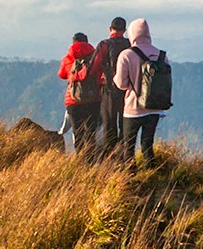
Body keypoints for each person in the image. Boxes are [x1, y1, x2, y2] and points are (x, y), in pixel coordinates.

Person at [112, 18, 169, 164]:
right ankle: (151, 174)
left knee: (128, 146)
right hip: (155, 107)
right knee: (147, 145)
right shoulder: (161, 55)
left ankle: (130, 177)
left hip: (133, 108)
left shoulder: (126, 55)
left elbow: (122, 84)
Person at [89, 17, 132, 158]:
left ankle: (110, 156)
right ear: (124, 30)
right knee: (125, 123)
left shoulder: (104, 45)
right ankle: (125, 154)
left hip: (108, 90)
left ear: (110, 29)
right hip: (128, 90)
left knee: (109, 123)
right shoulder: (130, 44)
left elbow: (93, 68)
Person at [58, 31, 101, 155]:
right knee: (91, 131)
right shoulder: (95, 58)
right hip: (93, 99)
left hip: (73, 100)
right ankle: (91, 160)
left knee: (78, 133)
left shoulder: (68, 59)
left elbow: (61, 75)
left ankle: (81, 160)